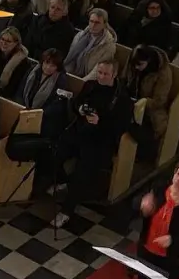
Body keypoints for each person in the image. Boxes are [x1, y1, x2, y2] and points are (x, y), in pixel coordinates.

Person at [51, 60, 131, 222]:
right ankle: (62, 181)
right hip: (81, 130)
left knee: (83, 169)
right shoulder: (90, 85)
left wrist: (99, 122)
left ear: (114, 75)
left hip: (101, 139)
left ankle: (67, 210)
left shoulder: (122, 97)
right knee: (56, 149)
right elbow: (77, 102)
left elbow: (121, 126)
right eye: (99, 72)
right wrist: (79, 108)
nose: (101, 77)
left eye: (105, 74)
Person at [0, 28, 29, 100]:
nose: (4, 43)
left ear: (16, 43)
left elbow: (15, 86)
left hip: (5, 96)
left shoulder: (23, 62)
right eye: (2, 39)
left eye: (8, 41)